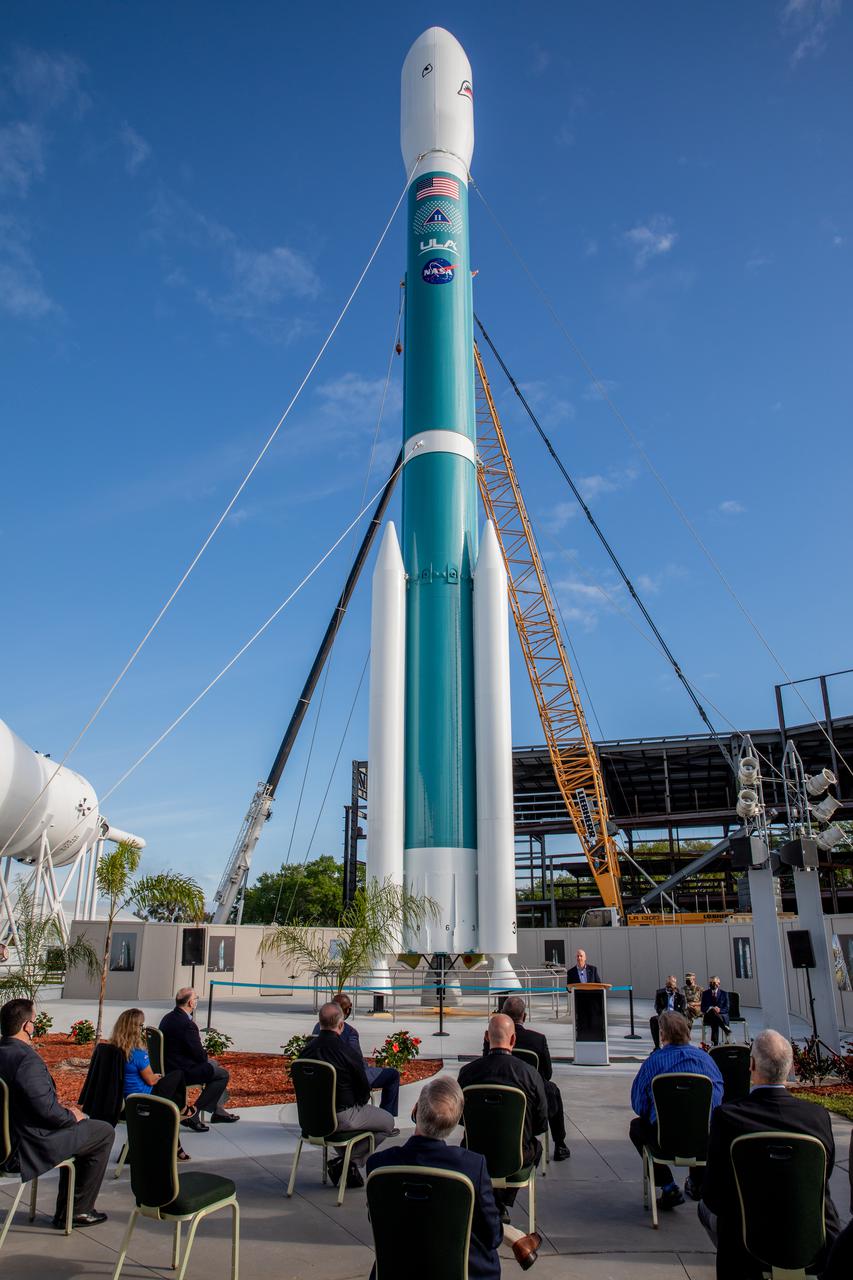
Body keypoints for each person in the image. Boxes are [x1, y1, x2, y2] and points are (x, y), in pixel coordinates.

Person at [699, 1029, 841, 1279]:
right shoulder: (817, 1117)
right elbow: (822, 1177)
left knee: (705, 1209)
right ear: (789, 1067)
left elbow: (712, 1195)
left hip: (746, 1247)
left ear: (751, 1065)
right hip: (809, 1239)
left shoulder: (728, 1117)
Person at [367, 1075, 542, 1274]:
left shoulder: (378, 1165)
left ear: (415, 1111)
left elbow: (378, 1221)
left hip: (397, 1270)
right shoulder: (472, 1167)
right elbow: (492, 1236)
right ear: (456, 1121)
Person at [0, 997, 113, 1229]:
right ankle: (77, 1212)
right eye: (33, 1020)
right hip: (27, 1145)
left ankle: (68, 1211)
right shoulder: (26, 1061)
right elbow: (47, 1112)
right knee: (102, 1132)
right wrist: (72, 1116)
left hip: (8, 1139)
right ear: (26, 1027)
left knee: (82, 1132)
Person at [629, 1010, 723, 1211]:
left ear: (662, 1034)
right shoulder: (706, 1060)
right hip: (702, 1140)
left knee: (637, 1127)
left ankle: (668, 1185)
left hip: (664, 1141)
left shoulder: (653, 1063)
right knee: (706, 1123)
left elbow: (639, 1105)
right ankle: (698, 1182)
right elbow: (717, 1100)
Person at [458, 1013, 548, 1224]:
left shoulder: (467, 1073)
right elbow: (541, 1122)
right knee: (536, 1147)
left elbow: (461, 1119)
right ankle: (500, 1203)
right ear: (513, 1039)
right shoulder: (530, 1075)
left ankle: (491, 1203)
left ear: (486, 1037)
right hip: (517, 1156)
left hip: (475, 1150)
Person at [299, 1001, 394, 1188]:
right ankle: (350, 1163)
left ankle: (345, 1162)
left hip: (310, 1120)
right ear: (341, 1025)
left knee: (344, 1126)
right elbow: (363, 1090)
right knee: (387, 1123)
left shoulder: (305, 1052)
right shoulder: (347, 1052)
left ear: (320, 1022)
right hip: (341, 1117)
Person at [482, 995, 570, 1161]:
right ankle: (560, 1144)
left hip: (496, 1089)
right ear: (524, 1016)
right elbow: (547, 1073)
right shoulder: (537, 1040)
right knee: (552, 1090)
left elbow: (486, 1062)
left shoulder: (491, 1038)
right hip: (532, 1093)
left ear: (502, 1014)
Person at [110, 1008, 193, 1161]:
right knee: (178, 1075)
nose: (142, 1028)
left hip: (125, 1098)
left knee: (170, 1104)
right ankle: (183, 1109)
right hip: (144, 1098)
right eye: (141, 1025)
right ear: (135, 1028)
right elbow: (150, 1080)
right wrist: (157, 1076)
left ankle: (178, 1144)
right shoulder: (138, 1054)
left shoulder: (114, 1050)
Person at [159, 988, 238, 1130]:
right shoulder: (188, 1025)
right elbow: (199, 1056)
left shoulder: (167, 1018)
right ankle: (194, 1113)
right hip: (181, 1071)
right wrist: (204, 1058)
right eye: (196, 998)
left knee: (214, 1065)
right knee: (222, 1074)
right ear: (191, 1003)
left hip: (169, 1065)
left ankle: (218, 1110)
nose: (196, 1001)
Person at [311, 992, 399, 1116]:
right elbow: (355, 1061)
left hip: (325, 1077)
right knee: (393, 1075)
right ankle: (387, 1116)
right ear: (348, 1010)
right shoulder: (350, 1032)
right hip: (351, 1078)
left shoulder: (318, 1027)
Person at [650, 976, 687, 1048]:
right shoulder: (660, 993)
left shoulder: (681, 996)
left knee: (685, 1021)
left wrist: (674, 1015)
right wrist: (663, 1012)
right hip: (664, 1015)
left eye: (671, 984)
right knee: (654, 1020)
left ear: (675, 984)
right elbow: (657, 1007)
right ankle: (657, 1046)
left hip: (675, 1016)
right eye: (668, 983)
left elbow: (682, 1010)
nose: (669, 986)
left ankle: (680, 1045)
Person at [700, 977, 730, 1046]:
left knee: (715, 1021)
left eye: (713, 983)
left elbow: (727, 1008)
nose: (711, 984)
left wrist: (719, 1010)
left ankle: (714, 1045)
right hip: (709, 1016)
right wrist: (710, 1008)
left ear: (718, 984)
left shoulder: (724, 994)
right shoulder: (705, 993)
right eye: (710, 983)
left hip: (721, 1016)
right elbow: (702, 1008)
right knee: (712, 1012)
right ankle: (725, 1028)